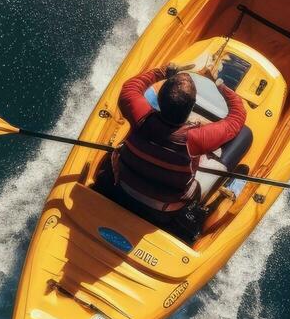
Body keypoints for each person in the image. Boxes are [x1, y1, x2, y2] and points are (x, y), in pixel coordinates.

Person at [96, 62, 248, 240]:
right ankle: (230, 190)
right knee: (243, 137)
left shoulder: (139, 116)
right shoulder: (197, 139)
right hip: (163, 210)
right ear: (191, 108)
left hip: (123, 187)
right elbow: (237, 118)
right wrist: (220, 85)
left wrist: (164, 71)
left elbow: (131, 87)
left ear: (160, 99)